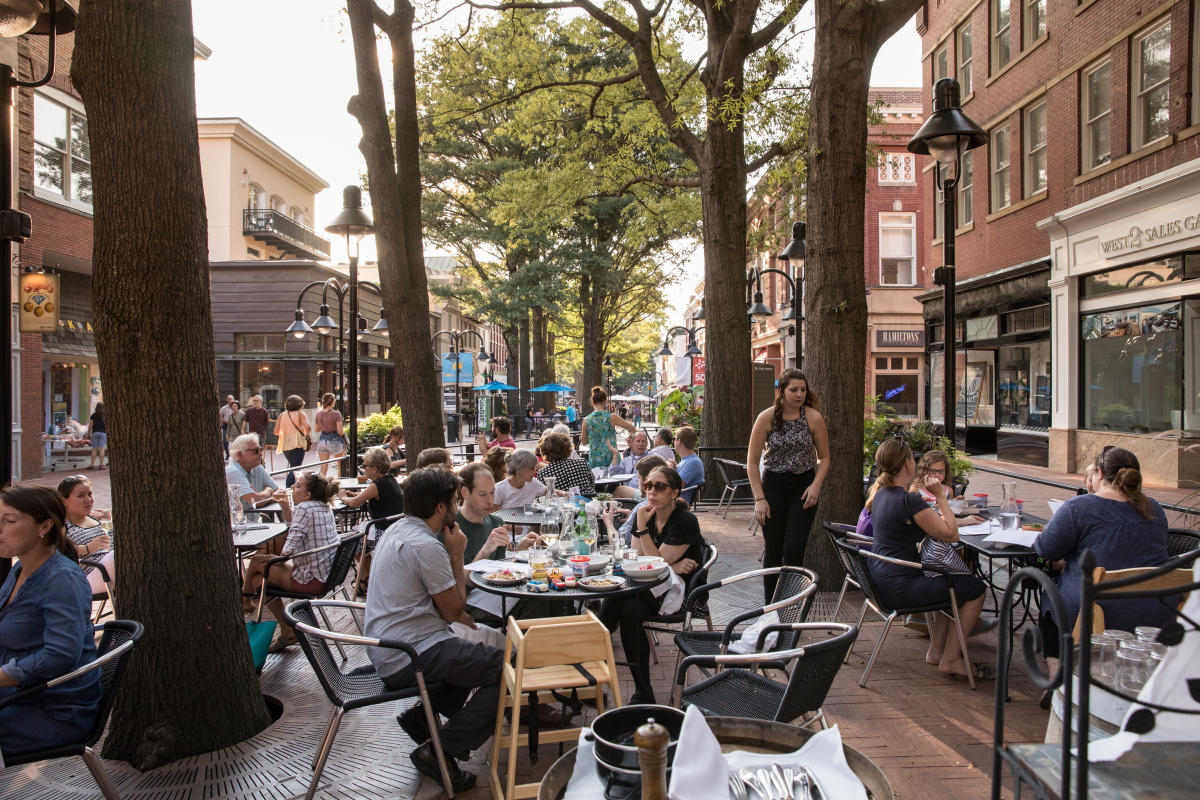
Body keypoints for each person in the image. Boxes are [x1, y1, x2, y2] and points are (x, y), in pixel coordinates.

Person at [365, 468, 503, 792]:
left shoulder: (396, 529)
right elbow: (454, 610)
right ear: (441, 508)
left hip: (390, 646)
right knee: (507, 668)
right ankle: (441, 749)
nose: (456, 508)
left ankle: (422, 717)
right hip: (408, 654)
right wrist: (456, 553)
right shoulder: (427, 546)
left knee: (472, 653)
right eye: (454, 502)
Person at [1034, 447, 1174, 696]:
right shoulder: (1153, 508)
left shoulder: (1079, 507)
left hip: (1096, 610)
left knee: (1049, 594)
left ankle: (1057, 678)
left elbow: (1045, 549)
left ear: (1098, 472)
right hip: (1156, 609)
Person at [864, 438, 986, 679]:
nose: (915, 462)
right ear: (907, 464)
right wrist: (940, 496)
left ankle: (937, 651)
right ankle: (951, 659)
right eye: (912, 458)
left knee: (944, 577)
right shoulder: (909, 499)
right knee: (975, 588)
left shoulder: (880, 494)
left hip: (880, 580)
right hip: (900, 587)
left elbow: (933, 526)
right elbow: (950, 534)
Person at [0, 484, 101, 756]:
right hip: (19, 696)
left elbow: (59, 656)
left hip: (51, 709)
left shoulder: (61, 579)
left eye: (8, 521)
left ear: (43, 527)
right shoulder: (21, 569)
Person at [599, 466, 704, 704]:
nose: (652, 491)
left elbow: (654, 562)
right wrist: (669, 565)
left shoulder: (685, 520)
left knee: (621, 598)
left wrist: (644, 530)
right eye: (648, 485)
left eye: (659, 486)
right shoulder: (644, 514)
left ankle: (590, 656)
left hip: (682, 592)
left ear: (675, 492)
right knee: (628, 607)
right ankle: (643, 691)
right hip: (650, 586)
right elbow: (638, 560)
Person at [745, 369, 830, 602]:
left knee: (794, 549)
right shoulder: (766, 418)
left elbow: (825, 458)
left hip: (803, 487)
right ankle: (769, 608)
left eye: (803, 389)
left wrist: (816, 485)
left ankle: (791, 605)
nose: (799, 394)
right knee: (773, 549)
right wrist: (759, 499)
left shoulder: (813, 417)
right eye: (794, 389)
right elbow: (752, 463)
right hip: (772, 486)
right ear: (781, 391)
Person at [241, 472, 341, 649]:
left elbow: (288, 550)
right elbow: (296, 528)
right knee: (259, 578)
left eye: (298, 485)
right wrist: (286, 506)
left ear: (307, 494)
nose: (293, 487)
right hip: (328, 575)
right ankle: (286, 630)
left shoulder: (304, 508)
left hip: (310, 579)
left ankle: (245, 600)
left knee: (257, 562)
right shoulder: (323, 506)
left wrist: (276, 559)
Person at [455, 463, 539, 562]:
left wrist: (518, 550)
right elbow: (458, 577)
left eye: (492, 492)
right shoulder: (450, 527)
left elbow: (498, 571)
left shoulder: (496, 522)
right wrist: (486, 550)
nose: (490, 500)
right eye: (482, 494)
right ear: (465, 492)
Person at [57, 475, 115, 596]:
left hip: (111, 567)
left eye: (89, 494)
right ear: (64, 500)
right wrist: (88, 547)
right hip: (91, 574)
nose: (88, 499)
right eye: (81, 495)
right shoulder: (61, 525)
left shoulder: (94, 517)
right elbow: (59, 552)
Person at [909, 451, 984, 528]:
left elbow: (949, 517)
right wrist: (966, 521)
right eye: (933, 471)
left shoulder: (948, 490)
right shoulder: (916, 489)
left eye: (941, 471)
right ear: (924, 471)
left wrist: (954, 504)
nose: (937, 475)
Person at [227, 434, 290, 519]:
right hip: (238, 526)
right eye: (255, 451)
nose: (260, 453)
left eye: (261, 449)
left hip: (253, 523)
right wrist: (268, 491)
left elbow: (278, 492)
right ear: (239, 454)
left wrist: (260, 495)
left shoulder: (256, 466)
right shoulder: (232, 472)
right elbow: (255, 501)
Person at [583, 385, 635, 470]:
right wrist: (631, 436)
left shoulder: (586, 420)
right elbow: (632, 428)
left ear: (592, 402)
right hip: (611, 458)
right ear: (605, 402)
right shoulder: (612, 417)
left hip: (594, 459)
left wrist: (595, 436)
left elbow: (584, 441)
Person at [274, 395, 311, 488]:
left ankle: (294, 489)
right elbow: (308, 427)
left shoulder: (282, 415)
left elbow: (276, 431)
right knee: (295, 469)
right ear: (300, 404)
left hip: (285, 445)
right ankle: (289, 489)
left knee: (293, 467)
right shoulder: (300, 414)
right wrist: (305, 433)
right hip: (297, 443)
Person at [313, 393, 346, 478]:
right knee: (340, 467)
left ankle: (321, 487)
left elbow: (316, 429)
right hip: (334, 440)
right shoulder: (336, 414)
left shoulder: (318, 413)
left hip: (322, 440)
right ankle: (340, 486)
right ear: (332, 402)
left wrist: (325, 426)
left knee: (323, 468)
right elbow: (340, 432)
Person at [612, 430, 651, 498]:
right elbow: (614, 476)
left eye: (643, 441)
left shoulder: (652, 458)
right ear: (632, 443)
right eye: (638, 441)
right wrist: (615, 455)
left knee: (619, 490)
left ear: (647, 443)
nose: (641, 444)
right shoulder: (626, 461)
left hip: (646, 493)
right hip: (628, 494)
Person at [87, 402, 107, 470]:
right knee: (101, 449)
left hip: (95, 433)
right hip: (103, 433)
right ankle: (101, 464)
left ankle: (92, 464)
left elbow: (90, 426)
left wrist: (88, 434)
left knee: (94, 448)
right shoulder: (105, 415)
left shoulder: (93, 415)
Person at [219, 394, 235, 459]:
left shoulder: (236, 407)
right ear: (226, 400)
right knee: (225, 440)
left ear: (233, 399)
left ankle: (234, 455)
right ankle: (228, 454)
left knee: (234, 440)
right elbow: (220, 415)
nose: (230, 400)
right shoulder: (224, 408)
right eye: (229, 399)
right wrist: (221, 423)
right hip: (226, 425)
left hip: (234, 425)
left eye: (231, 399)